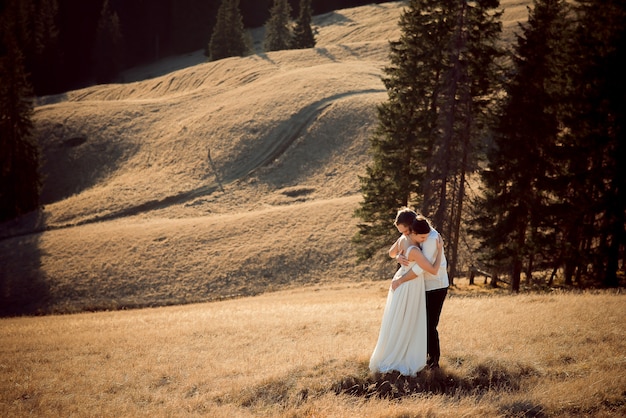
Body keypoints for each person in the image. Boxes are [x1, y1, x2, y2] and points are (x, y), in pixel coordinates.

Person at [369, 212, 443, 376]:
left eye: (404, 230)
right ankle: (403, 356)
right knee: (407, 320)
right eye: (401, 231)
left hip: (403, 281)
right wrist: (439, 251)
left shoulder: (408, 240)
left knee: (400, 320)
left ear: (411, 228)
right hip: (409, 284)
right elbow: (432, 269)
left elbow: (392, 252)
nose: (402, 234)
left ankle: (399, 353)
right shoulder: (413, 246)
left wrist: (399, 256)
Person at [396, 214, 449, 369]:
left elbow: (422, 268)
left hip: (435, 286)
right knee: (421, 323)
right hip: (424, 286)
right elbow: (399, 249)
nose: (405, 234)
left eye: (406, 231)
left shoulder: (431, 239)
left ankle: (434, 362)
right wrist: (400, 255)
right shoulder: (416, 233)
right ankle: (423, 358)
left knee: (429, 325)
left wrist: (401, 280)